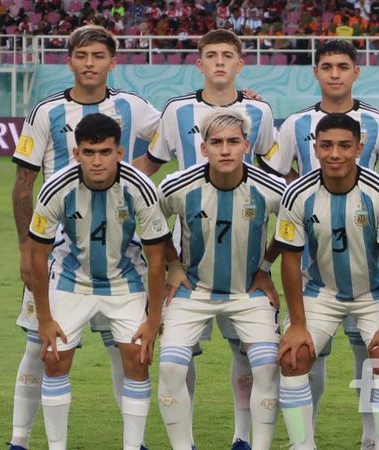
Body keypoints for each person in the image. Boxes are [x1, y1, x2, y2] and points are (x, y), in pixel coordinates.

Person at [9, 25, 159, 450]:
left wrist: (138, 175)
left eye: (98, 56)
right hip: (56, 249)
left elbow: (179, 136)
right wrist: (25, 246)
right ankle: (19, 439)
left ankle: (135, 442)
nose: (89, 63)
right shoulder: (45, 112)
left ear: (113, 62)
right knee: (41, 345)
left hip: (122, 250)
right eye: (81, 55)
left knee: (125, 349)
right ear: (70, 61)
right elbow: (23, 182)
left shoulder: (132, 107)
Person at [131, 29, 276, 450]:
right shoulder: (176, 110)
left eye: (226, 55)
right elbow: (152, 164)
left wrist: (267, 265)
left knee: (244, 350)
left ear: (238, 64)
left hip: (245, 246)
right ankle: (185, 439)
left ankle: (243, 437)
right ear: (199, 64)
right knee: (182, 355)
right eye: (210, 55)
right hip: (189, 251)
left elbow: (275, 169)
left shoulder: (261, 111)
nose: (218, 63)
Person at [259, 39, 379, 450]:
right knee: (294, 355)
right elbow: (289, 259)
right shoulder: (298, 187)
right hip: (317, 284)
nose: (335, 153)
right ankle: (302, 444)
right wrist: (299, 323)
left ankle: (378, 444)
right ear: (315, 148)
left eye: (344, 146)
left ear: (360, 148)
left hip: (372, 289)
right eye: (326, 146)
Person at [27, 113, 169, 450]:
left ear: (119, 153)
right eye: (89, 152)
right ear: (76, 154)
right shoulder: (55, 188)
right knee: (54, 357)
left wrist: (153, 319)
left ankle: (133, 446)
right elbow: (37, 256)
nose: (97, 161)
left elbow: (157, 258)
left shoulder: (141, 188)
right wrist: (44, 319)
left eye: (105, 152)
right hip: (71, 279)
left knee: (137, 358)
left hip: (125, 280)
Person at [156, 109, 286, 450]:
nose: (225, 150)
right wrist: (173, 264)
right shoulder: (176, 186)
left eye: (233, 142)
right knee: (170, 368)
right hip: (191, 291)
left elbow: (293, 227)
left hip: (248, 292)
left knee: (267, 369)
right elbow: (151, 226)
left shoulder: (273, 188)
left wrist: (266, 266)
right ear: (203, 149)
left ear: (247, 146)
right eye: (216, 143)